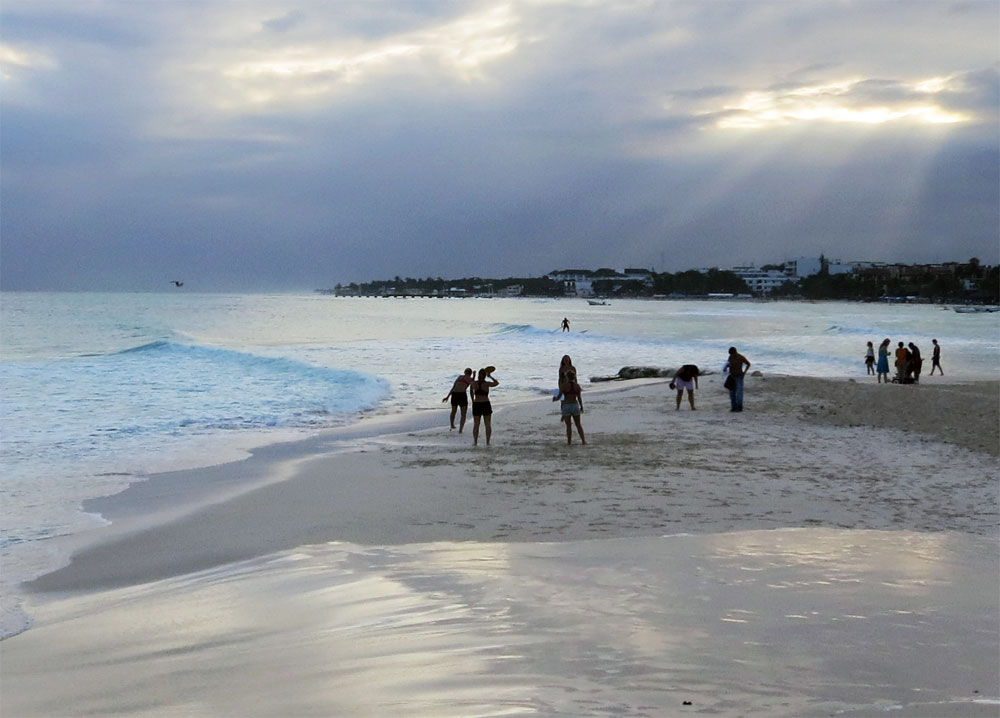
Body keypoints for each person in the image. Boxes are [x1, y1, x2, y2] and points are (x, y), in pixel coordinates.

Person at [554, 369, 586, 445]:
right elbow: (579, 397)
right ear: (574, 377)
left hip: (566, 405)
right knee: (578, 425)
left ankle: (569, 442)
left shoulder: (564, 386)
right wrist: (581, 406)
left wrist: (555, 399)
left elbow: (559, 397)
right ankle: (583, 441)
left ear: (567, 377)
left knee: (568, 426)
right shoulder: (577, 386)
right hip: (575, 405)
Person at [471, 366, 499, 446]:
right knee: (487, 424)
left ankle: (475, 442)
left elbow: (471, 386)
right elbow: (496, 383)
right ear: (484, 376)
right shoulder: (486, 384)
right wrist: (490, 376)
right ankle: (488, 442)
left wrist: (473, 376)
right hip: (485, 404)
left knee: (476, 424)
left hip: (476, 404)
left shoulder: (474, 383)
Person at [442, 368, 473, 432]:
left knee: (453, 411)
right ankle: (460, 429)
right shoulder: (470, 379)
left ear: (465, 372)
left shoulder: (460, 377)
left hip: (454, 394)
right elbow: (473, 385)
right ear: (470, 373)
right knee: (463, 414)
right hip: (462, 395)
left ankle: (452, 425)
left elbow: (453, 387)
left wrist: (447, 396)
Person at [725, 347, 751, 412]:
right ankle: (733, 407)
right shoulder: (730, 357)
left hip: (739, 376)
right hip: (732, 376)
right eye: (730, 354)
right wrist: (726, 367)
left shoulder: (740, 357)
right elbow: (729, 364)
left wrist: (744, 372)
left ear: (735, 352)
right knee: (732, 393)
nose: (731, 355)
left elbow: (748, 364)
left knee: (739, 392)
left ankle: (739, 407)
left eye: (732, 354)